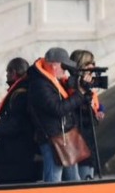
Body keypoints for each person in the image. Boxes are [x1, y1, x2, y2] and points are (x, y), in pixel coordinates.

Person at [24, 46, 90, 183]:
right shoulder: (40, 84)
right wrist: (80, 94)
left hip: (64, 137)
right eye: (64, 67)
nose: (65, 71)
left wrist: (77, 87)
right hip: (53, 139)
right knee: (53, 179)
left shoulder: (51, 81)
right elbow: (57, 109)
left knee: (74, 180)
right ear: (54, 66)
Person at [0, 57, 37, 183]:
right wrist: (0, 109)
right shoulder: (23, 90)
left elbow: (15, 126)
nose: (6, 76)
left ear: (14, 73)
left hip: (17, 154)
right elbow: (15, 117)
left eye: (7, 73)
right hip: (19, 151)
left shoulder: (21, 94)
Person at [67, 49, 105, 179]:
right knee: (80, 179)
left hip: (88, 137)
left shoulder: (87, 86)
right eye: (88, 63)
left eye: (93, 63)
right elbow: (73, 107)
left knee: (88, 174)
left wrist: (100, 111)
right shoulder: (70, 85)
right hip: (76, 139)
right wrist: (81, 89)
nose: (92, 67)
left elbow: (96, 104)